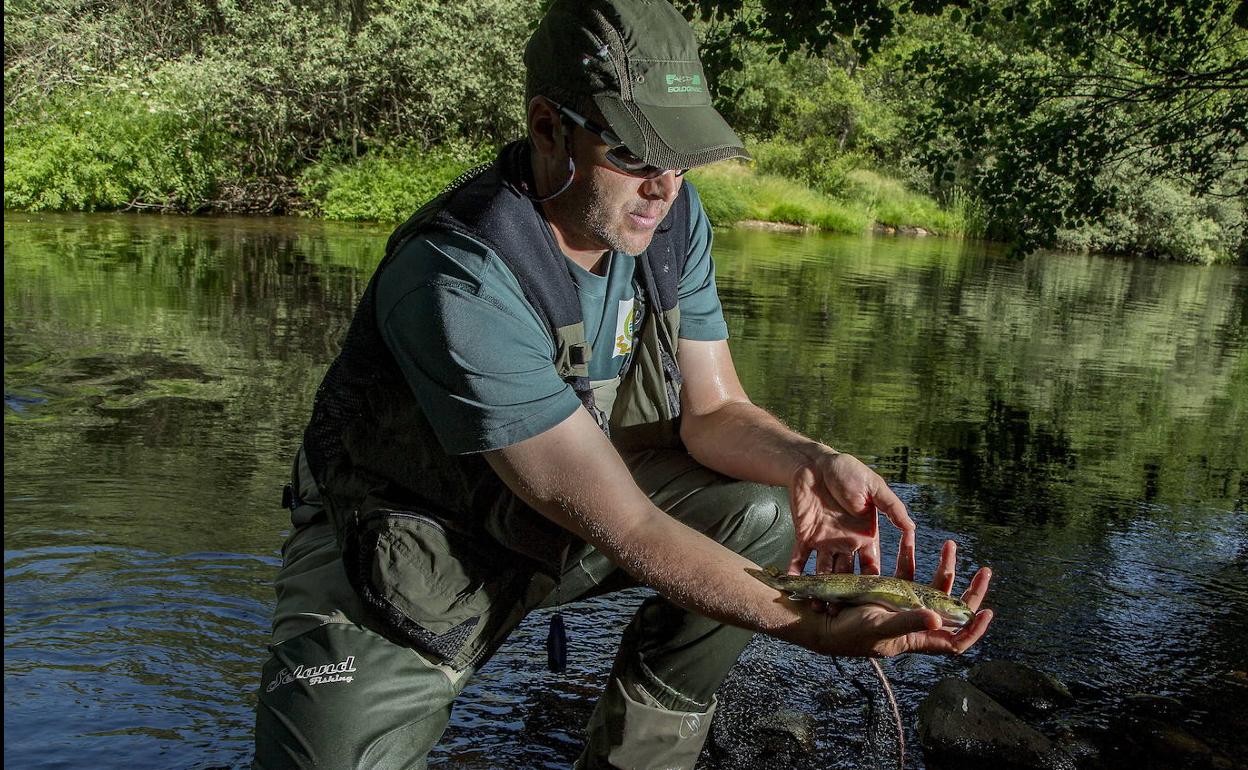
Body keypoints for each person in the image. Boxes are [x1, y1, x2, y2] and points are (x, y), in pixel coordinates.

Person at [252, 0, 993, 767]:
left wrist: (811, 460)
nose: (664, 187)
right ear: (548, 129)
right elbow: (629, 528)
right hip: (405, 551)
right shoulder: (456, 277)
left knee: (761, 512)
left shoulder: (668, 219)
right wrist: (805, 624)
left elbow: (718, 411)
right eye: (636, 154)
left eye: (681, 158)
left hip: (576, 507)